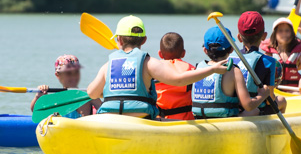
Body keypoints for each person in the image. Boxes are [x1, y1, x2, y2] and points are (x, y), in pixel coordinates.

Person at [86, 16, 228, 119]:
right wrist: (212, 69)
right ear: (144, 40)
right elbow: (178, 80)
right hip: (140, 121)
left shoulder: (108, 65)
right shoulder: (149, 63)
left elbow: (92, 93)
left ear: (119, 40)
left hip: (111, 121)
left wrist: (110, 91)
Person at [192, 26, 270, 118]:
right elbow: (248, 105)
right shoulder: (233, 71)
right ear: (232, 49)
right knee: (255, 111)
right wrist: (262, 95)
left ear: (205, 50)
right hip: (225, 123)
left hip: (200, 120)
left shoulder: (197, 68)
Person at [235, 11, 286, 113]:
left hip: (234, 109)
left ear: (239, 37)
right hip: (255, 109)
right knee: (282, 100)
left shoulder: (230, 57)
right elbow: (269, 100)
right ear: (264, 36)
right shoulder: (269, 62)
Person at [31, 55, 101, 118]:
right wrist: (39, 96)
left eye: (76, 72)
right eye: (68, 73)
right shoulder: (54, 99)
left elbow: (104, 111)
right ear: (58, 75)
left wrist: (96, 93)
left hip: (82, 130)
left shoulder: (88, 96)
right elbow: (35, 111)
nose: (73, 76)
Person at [155, 32, 196, 120]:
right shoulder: (191, 69)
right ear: (183, 53)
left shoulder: (153, 70)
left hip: (159, 120)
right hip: (184, 120)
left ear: (160, 54)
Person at [261, 18, 301, 91]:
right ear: (275, 34)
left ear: (292, 34)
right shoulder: (269, 54)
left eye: (287, 31)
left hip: (293, 92)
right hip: (275, 91)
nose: (284, 33)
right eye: (280, 31)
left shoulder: (298, 54)